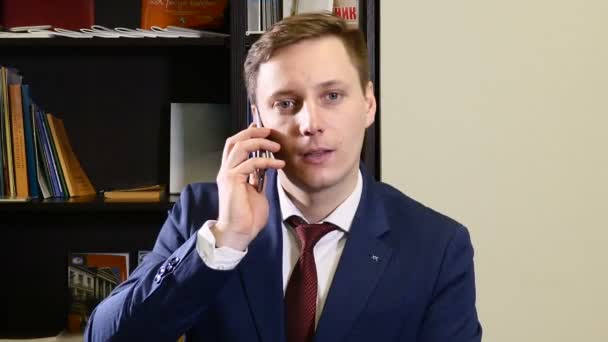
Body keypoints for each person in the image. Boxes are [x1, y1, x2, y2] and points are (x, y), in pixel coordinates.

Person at [86, 12, 482, 342]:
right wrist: (227, 240)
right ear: (257, 119)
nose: (310, 123)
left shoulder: (438, 245)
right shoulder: (204, 213)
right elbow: (106, 337)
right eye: (286, 103)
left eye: (332, 96)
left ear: (368, 104)